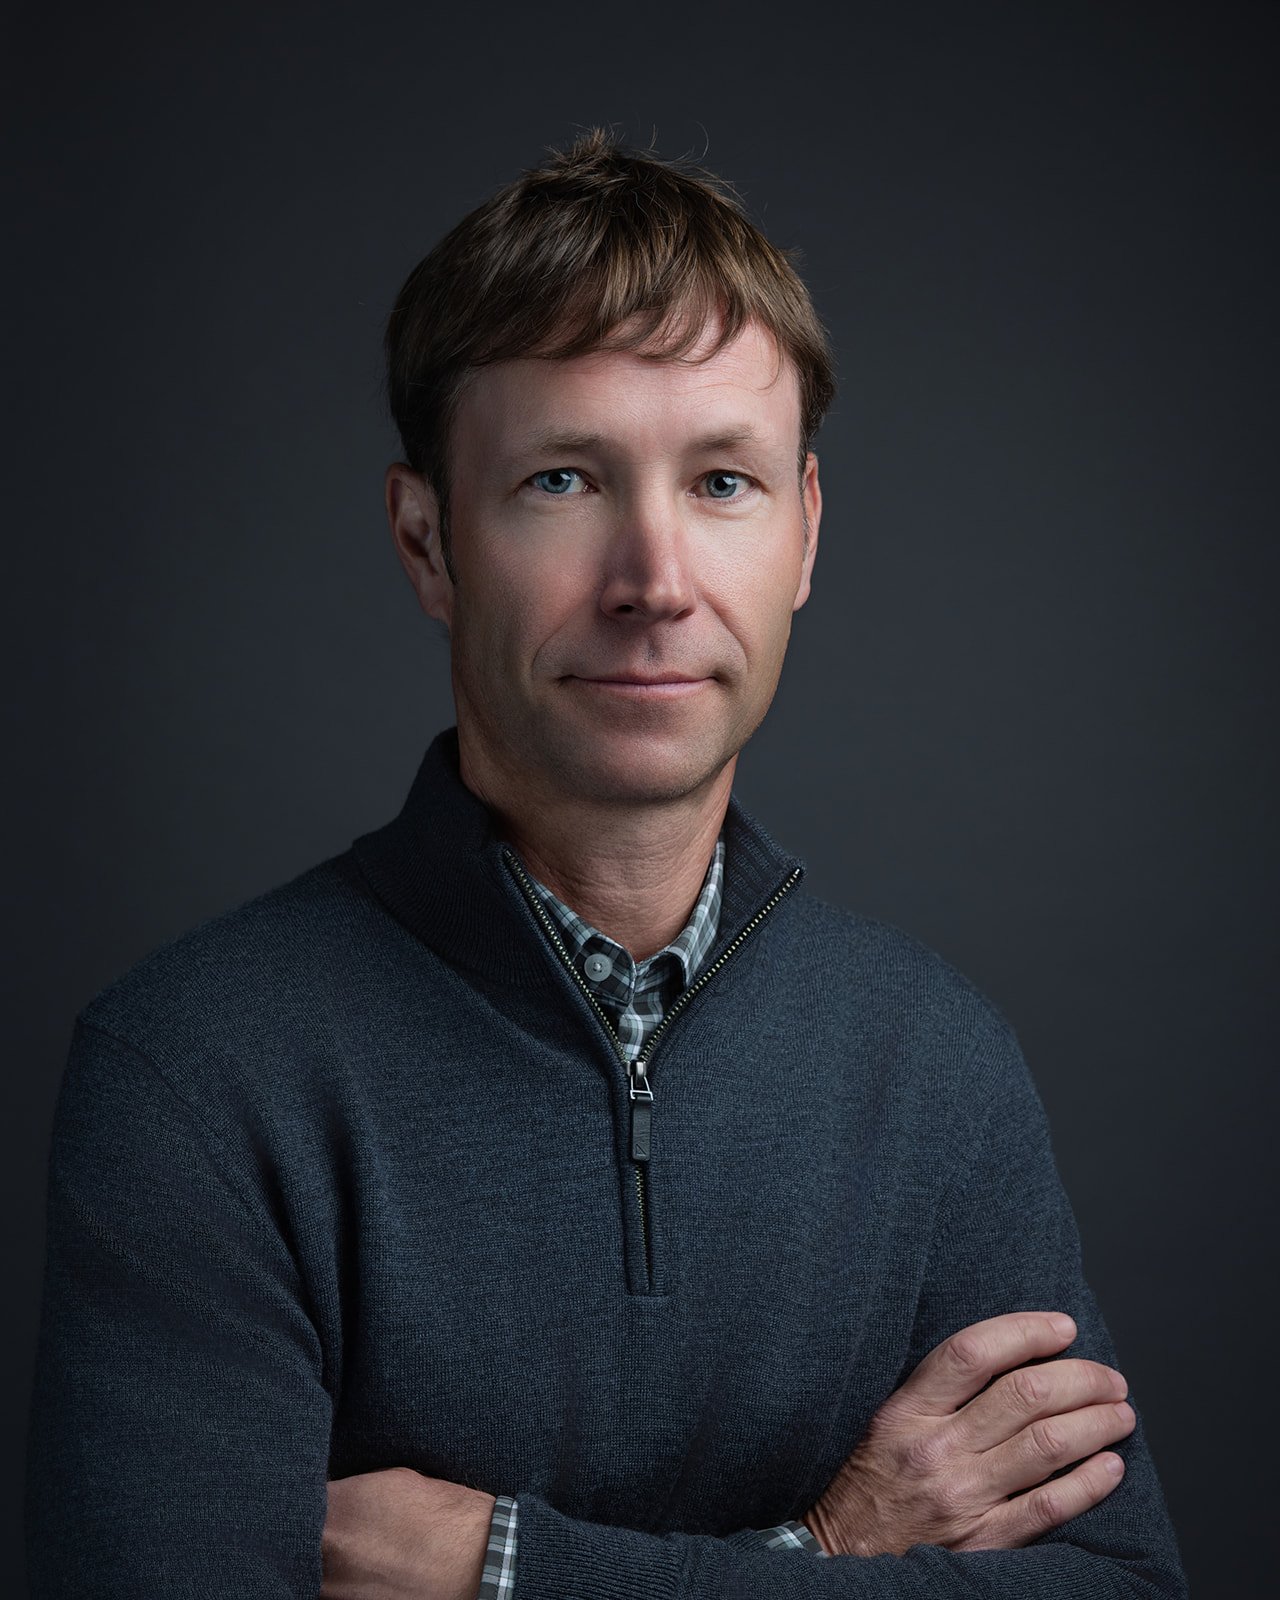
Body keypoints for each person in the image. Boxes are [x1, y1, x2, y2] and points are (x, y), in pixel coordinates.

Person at [25, 130, 1186, 1598]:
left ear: (805, 535)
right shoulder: (197, 1077)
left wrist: (506, 1572)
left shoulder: (938, 1068)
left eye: (721, 483)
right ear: (426, 540)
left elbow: (1118, 1588)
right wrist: (830, 1556)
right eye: (565, 479)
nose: (654, 579)